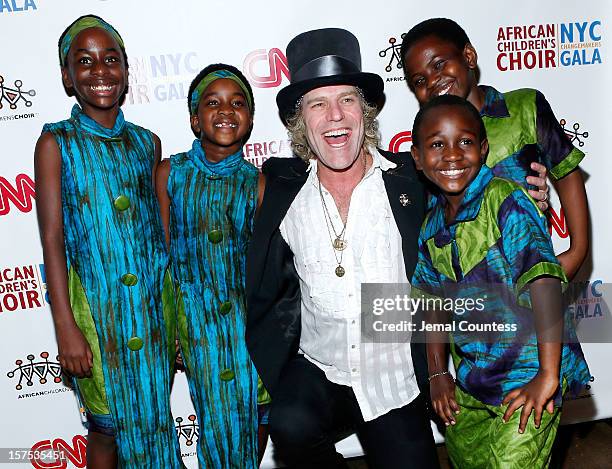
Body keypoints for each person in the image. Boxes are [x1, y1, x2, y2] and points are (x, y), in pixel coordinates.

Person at [246, 28, 439, 469]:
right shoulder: (279, 188)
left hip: (393, 378)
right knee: (289, 423)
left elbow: (471, 175)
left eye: (347, 100)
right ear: (301, 122)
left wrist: (529, 190)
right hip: (321, 369)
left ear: (365, 111)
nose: (335, 115)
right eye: (318, 103)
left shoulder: (412, 178)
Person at [410, 94, 590, 468]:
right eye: (437, 145)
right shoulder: (430, 227)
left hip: (529, 374)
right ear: (416, 158)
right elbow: (432, 304)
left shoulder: (506, 200)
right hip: (475, 381)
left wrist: (547, 375)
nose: (453, 155)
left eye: (465, 142)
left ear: (484, 147)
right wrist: (438, 373)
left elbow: (544, 282)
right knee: (465, 456)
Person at [34, 15, 183, 468]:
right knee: (107, 431)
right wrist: (65, 325)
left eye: (110, 60)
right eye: (85, 61)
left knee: (154, 418)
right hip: (96, 318)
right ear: (67, 76)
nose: (100, 71)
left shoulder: (147, 143)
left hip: (153, 313)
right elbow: (52, 237)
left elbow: (162, 239)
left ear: (125, 71)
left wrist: (175, 318)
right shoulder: (55, 142)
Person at [401, 18, 588, 279]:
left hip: (532, 279)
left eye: (439, 65)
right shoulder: (426, 146)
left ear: (468, 56)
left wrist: (577, 251)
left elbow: (567, 173)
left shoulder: (524, 107)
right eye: (419, 80)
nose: (433, 81)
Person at [156, 63, 270, 468]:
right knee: (212, 419)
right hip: (193, 326)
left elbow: (263, 267)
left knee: (254, 414)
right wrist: (172, 329)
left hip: (245, 327)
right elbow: (161, 257)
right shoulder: (171, 174)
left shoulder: (257, 183)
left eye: (238, 103)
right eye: (213, 102)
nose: (226, 111)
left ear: (251, 120)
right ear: (194, 118)